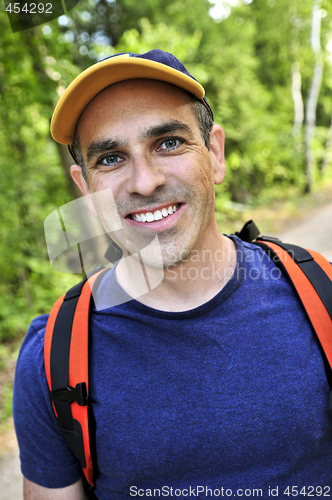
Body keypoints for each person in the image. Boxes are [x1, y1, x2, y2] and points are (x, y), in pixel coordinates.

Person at [13, 50, 332, 500]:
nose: (144, 182)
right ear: (85, 190)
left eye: (167, 143)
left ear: (215, 154)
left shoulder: (324, 297)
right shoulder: (51, 359)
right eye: (110, 158)